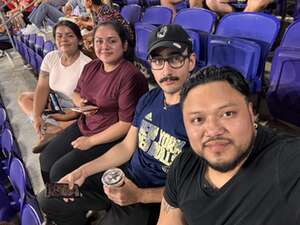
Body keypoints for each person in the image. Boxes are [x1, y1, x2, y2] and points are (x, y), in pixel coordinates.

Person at [37, 24, 196, 225]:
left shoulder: (200, 114)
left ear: (191, 61)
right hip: (123, 178)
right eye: (158, 60)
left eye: (175, 58)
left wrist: (139, 195)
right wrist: (82, 172)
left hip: (149, 200)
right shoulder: (150, 99)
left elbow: (197, 188)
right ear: (150, 64)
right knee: (50, 196)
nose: (166, 69)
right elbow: (126, 147)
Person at [157, 66, 300, 225]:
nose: (213, 130)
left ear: (251, 112)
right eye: (198, 119)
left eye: (227, 114)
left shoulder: (287, 162)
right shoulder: (182, 166)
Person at [38, 20, 148, 185]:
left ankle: (69, 204)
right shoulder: (93, 66)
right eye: (99, 41)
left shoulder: (130, 77)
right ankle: (54, 198)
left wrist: (90, 141)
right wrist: (80, 103)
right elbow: (77, 92)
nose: (104, 46)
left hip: (110, 137)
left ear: (124, 45)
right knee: (46, 157)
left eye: (112, 41)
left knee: (60, 171)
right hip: (86, 125)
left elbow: (126, 125)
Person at [18, 20, 91, 148]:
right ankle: (50, 126)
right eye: (59, 36)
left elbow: (85, 104)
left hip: (74, 109)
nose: (64, 39)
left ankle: (58, 126)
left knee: (76, 121)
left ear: (79, 40)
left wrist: (66, 116)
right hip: (54, 101)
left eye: (69, 35)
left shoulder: (86, 64)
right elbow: (42, 87)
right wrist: (36, 117)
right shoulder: (51, 57)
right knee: (24, 98)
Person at [205, 0, 274, 14]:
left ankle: (240, 24)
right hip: (236, 6)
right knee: (211, 1)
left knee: (257, 2)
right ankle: (233, 18)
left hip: (257, 4)